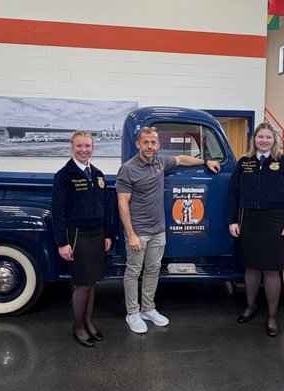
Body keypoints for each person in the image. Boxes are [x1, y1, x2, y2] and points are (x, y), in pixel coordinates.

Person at [116, 126, 221, 334]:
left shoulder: (160, 161)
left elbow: (181, 159)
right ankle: (132, 313)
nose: (149, 146)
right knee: (133, 271)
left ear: (158, 145)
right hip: (139, 231)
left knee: (153, 270)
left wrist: (205, 162)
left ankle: (148, 309)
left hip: (158, 230)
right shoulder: (128, 168)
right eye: (145, 142)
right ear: (138, 144)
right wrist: (131, 234)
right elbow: (122, 203)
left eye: (153, 142)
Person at [227, 122, 284, 337]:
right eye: (260, 137)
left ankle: (272, 316)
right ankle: (250, 307)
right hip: (248, 219)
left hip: (275, 220)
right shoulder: (244, 163)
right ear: (254, 139)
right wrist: (233, 220)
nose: (264, 141)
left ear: (274, 140)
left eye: (268, 137)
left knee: (271, 269)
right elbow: (233, 193)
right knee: (251, 268)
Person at [52, 130, 112, 347]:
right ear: (72, 148)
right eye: (79, 146)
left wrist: (108, 233)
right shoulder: (64, 176)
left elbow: (106, 206)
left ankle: (88, 322)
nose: (84, 150)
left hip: (97, 235)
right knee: (83, 284)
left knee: (92, 282)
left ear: (92, 148)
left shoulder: (97, 174)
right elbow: (58, 211)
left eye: (87, 146)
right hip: (77, 235)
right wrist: (62, 242)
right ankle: (78, 327)